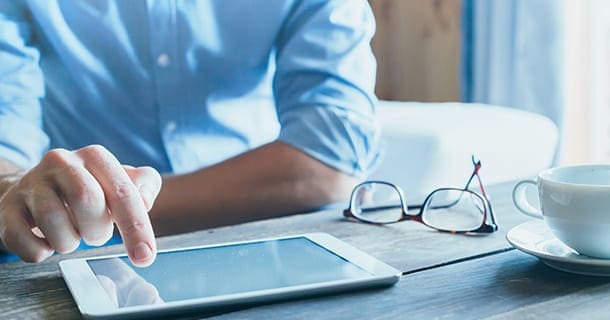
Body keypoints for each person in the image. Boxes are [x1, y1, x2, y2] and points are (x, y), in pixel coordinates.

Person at [0, 1, 380, 266]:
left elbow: (329, 160)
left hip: (269, 237)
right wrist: (19, 190)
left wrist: (106, 207)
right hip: (78, 256)